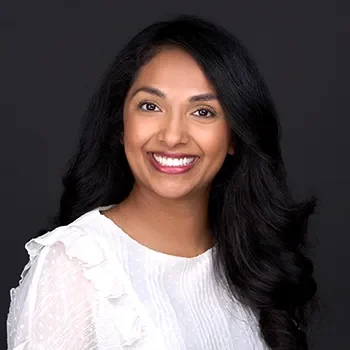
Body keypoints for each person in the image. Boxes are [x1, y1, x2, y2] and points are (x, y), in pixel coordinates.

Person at [6, 14, 320, 350]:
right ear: (121, 124)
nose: (172, 136)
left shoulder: (251, 263)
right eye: (150, 106)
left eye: (203, 112)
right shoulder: (73, 267)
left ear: (234, 136)